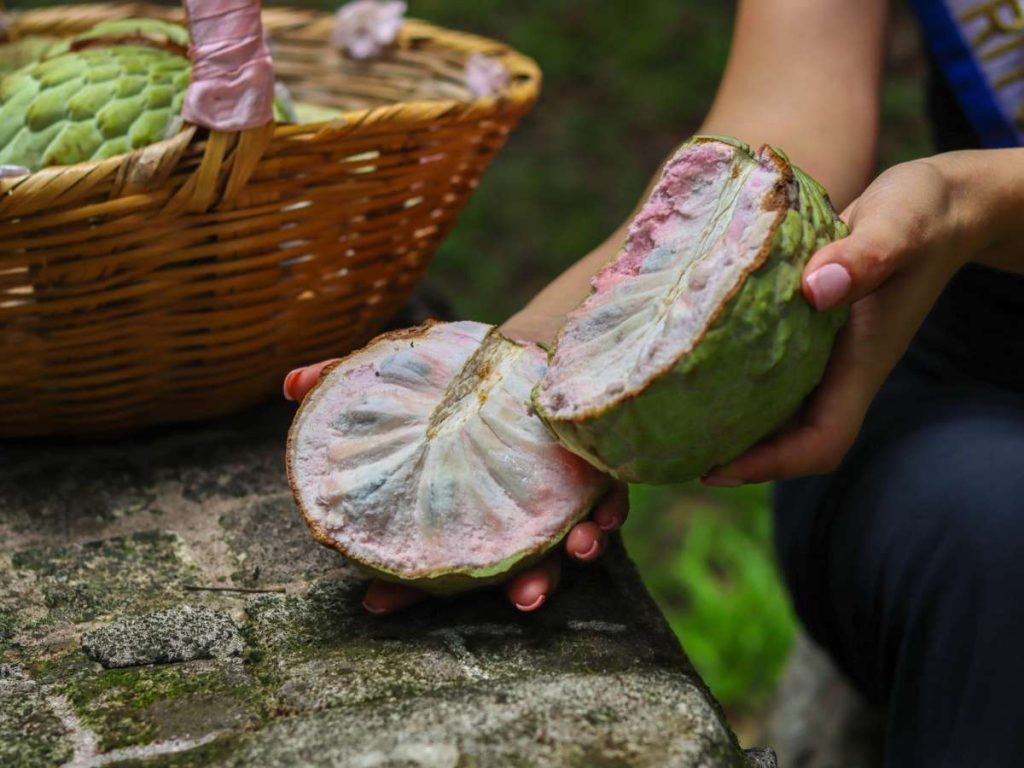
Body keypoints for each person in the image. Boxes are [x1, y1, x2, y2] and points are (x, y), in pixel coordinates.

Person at [285, 1, 1024, 762]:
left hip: (953, 256)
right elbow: (786, 124)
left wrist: (980, 201)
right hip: (948, 371)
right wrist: (539, 368)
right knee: (997, 542)